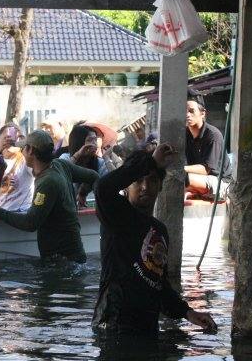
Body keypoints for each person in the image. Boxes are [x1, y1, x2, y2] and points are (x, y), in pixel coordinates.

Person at [92, 143, 217, 336]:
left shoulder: (159, 230)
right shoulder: (116, 217)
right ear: (127, 186)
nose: (144, 187)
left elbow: (158, 284)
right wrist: (150, 162)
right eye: (138, 181)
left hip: (146, 328)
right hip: (113, 326)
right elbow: (102, 188)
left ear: (160, 186)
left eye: (151, 180)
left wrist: (188, 313)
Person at [0, 130, 99, 263]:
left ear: (31, 150)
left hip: (61, 262)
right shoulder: (60, 165)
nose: (21, 152)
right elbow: (94, 177)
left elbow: (30, 223)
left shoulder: (47, 182)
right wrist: (84, 194)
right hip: (73, 254)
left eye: (23, 148)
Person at [184, 92, 231, 198]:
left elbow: (206, 169)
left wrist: (181, 169)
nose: (187, 115)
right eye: (184, 111)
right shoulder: (185, 134)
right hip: (199, 179)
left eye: (191, 111)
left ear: (203, 113)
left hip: (220, 182)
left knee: (182, 177)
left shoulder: (213, 134)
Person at [59, 124, 108, 207]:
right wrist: (78, 154)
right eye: (90, 140)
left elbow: (105, 187)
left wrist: (108, 159)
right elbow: (59, 173)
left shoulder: (100, 163)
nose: (94, 144)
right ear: (79, 142)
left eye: (95, 140)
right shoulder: (65, 158)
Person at [0, 123, 35, 212]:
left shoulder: (25, 158)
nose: (9, 141)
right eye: (5, 138)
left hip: (21, 212)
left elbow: (40, 172)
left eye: (14, 138)